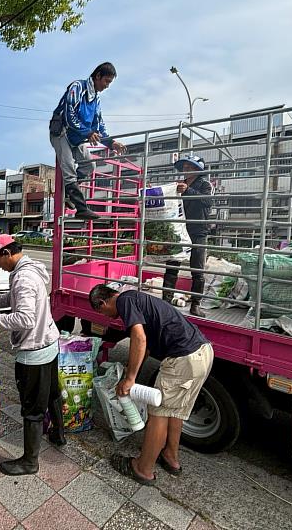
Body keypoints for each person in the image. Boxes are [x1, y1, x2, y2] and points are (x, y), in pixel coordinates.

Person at [89, 284, 213, 484]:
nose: (107, 317)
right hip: (202, 353)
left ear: (102, 303)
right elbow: (145, 346)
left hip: (183, 359)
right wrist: (130, 372)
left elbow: (139, 338)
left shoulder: (124, 300)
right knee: (175, 411)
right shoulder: (139, 301)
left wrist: (130, 379)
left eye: (102, 312)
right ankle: (171, 458)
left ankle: (143, 469)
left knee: (158, 414)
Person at [0, 235, 65, 476]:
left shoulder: (23, 277)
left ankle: (30, 462)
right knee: (51, 393)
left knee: (32, 409)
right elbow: (13, 297)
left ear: (6, 253)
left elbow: (25, 318)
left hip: (35, 351)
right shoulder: (28, 268)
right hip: (49, 342)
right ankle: (58, 434)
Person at [49, 62, 127, 219]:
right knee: (69, 168)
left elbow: (99, 126)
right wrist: (88, 132)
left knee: (89, 165)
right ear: (98, 76)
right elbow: (69, 114)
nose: (107, 86)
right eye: (106, 81)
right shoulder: (78, 87)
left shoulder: (96, 100)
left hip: (77, 138)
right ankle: (81, 208)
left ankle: (68, 193)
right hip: (62, 132)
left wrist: (111, 143)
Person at [161, 155, 213, 317]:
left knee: (197, 269)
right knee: (172, 264)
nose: (186, 169)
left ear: (198, 170)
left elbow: (208, 201)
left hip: (198, 231)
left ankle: (196, 304)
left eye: (190, 167)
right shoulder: (178, 185)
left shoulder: (205, 184)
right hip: (179, 230)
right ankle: (166, 302)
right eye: (185, 167)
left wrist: (188, 190)